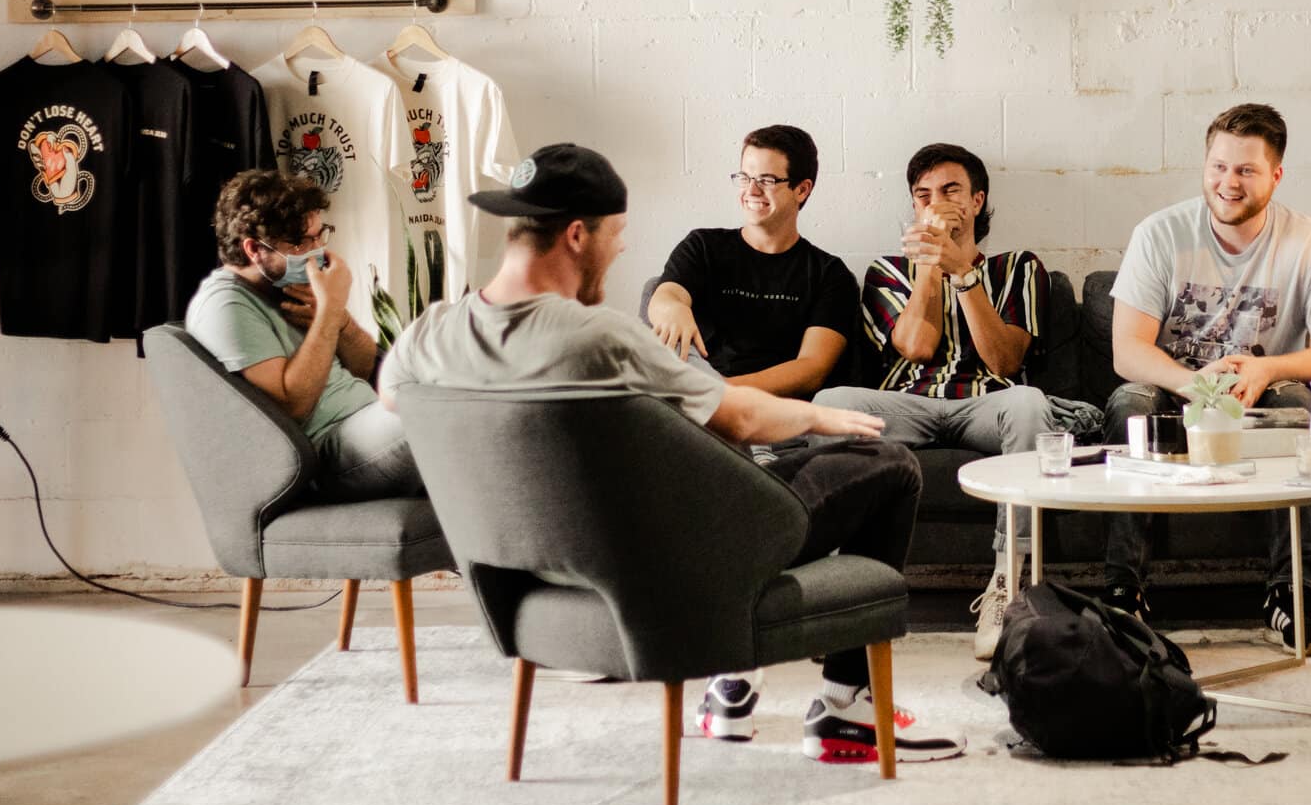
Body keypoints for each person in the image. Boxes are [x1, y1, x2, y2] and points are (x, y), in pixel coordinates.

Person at [380, 143, 962, 764]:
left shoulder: (426, 337)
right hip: (669, 574)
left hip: (532, 583)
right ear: (578, 235)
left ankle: (735, 686)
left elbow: (395, 405)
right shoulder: (597, 338)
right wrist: (825, 416)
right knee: (889, 466)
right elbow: (738, 415)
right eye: (617, 233)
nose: (623, 248)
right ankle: (846, 708)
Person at [1100, 102, 1311, 654]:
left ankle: (1289, 595)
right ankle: (1123, 591)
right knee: (1130, 403)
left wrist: (1270, 366)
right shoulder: (1160, 233)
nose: (1228, 183)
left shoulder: (1309, 242)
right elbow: (1127, 351)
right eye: (1218, 166)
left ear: (1275, 175)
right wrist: (1197, 385)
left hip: (1260, 396)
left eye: (1245, 170)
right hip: (1177, 392)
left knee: (1299, 407)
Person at [814, 142, 1053, 662]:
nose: (936, 203)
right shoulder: (888, 272)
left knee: (1032, 404)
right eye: (923, 195)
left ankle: (1007, 587)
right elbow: (915, 348)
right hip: (909, 405)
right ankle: (841, 592)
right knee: (832, 401)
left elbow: (1005, 361)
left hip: (990, 404)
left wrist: (964, 274)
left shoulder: (1019, 267)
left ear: (977, 201)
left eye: (950, 191)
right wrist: (929, 265)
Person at [184, 170, 420, 501]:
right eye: (299, 242)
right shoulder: (225, 303)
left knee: (464, 398)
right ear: (254, 249)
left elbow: (365, 368)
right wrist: (328, 311)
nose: (316, 251)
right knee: (432, 416)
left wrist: (339, 318)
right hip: (331, 448)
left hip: (367, 420)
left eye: (318, 235)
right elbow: (294, 406)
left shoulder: (287, 287)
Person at [646, 124, 858, 398]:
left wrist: (722, 391)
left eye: (767, 180)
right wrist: (673, 308)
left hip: (770, 409)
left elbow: (811, 370)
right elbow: (667, 295)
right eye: (745, 177)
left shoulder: (829, 274)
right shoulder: (702, 246)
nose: (752, 191)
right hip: (695, 397)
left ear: (802, 190)